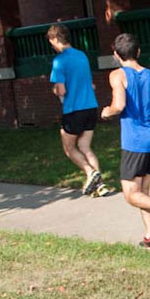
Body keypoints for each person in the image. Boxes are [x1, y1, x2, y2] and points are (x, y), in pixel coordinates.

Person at [100, 33, 150, 250]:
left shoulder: (117, 75)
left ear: (116, 55)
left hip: (134, 143)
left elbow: (119, 105)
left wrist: (108, 112)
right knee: (142, 191)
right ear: (138, 52)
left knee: (131, 194)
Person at [47, 23, 112, 197]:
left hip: (73, 109)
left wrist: (54, 89)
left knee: (69, 148)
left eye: (51, 41)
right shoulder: (82, 56)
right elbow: (89, 83)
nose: (51, 45)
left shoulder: (59, 61)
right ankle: (101, 186)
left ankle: (91, 173)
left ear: (54, 39)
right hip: (91, 106)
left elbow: (61, 90)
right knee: (85, 146)